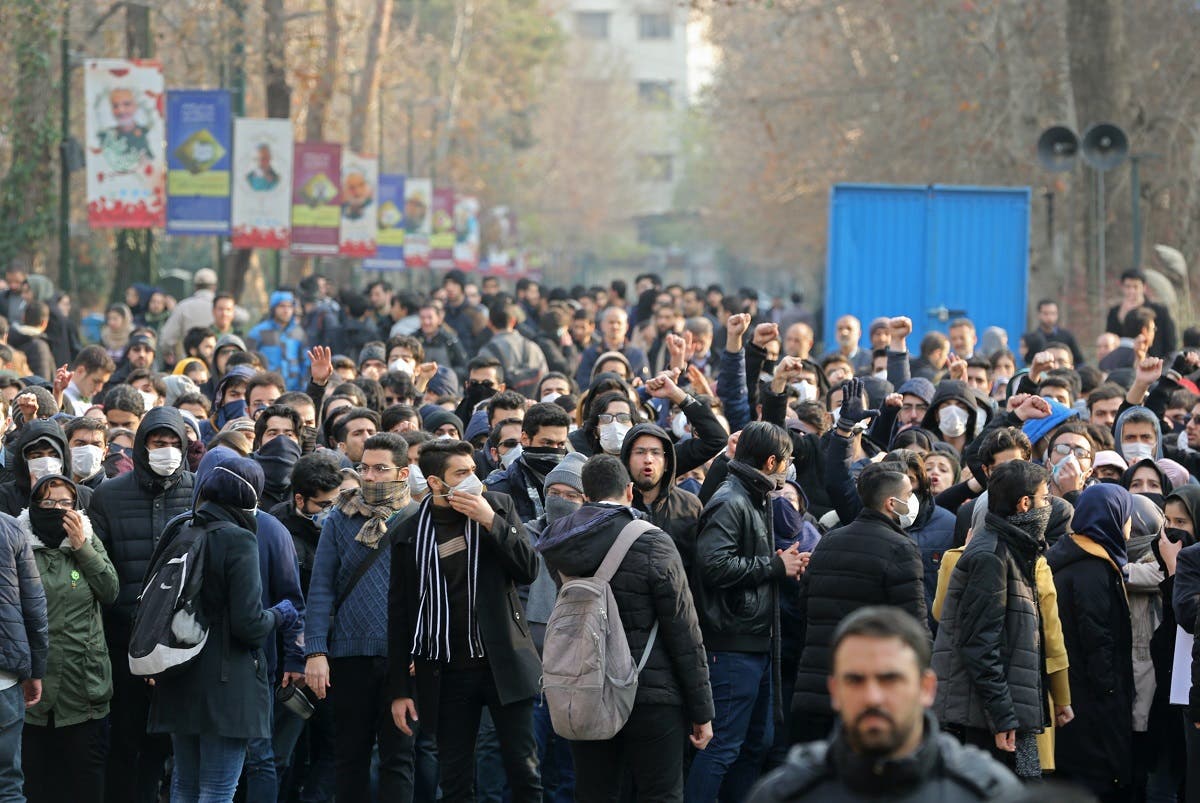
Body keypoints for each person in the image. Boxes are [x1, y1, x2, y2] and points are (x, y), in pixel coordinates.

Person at [538, 454, 714, 800]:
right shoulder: (652, 540)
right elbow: (684, 630)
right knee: (660, 794)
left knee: (594, 792)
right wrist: (702, 710)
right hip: (652, 691)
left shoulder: (558, 542)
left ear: (585, 496)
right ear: (630, 491)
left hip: (586, 686)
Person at [388, 438, 543, 802]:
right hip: (446, 671)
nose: (474, 479)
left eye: (474, 470)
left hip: (502, 661)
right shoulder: (408, 534)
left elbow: (529, 569)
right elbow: (399, 614)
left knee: (524, 768)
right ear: (435, 483)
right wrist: (399, 689)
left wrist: (491, 522)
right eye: (462, 473)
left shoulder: (498, 507)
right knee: (455, 779)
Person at [747, 607, 1021, 803]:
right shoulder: (784, 793)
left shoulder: (990, 792)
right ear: (835, 690)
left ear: (926, 688)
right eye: (855, 680)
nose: (873, 697)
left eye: (890, 680)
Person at [146, 453, 299, 803]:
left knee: (184, 783)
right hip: (227, 685)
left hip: (178, 675)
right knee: (217, 789)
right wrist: (281, 614)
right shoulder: (239, 539)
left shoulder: (181, 528)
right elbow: (249, 626)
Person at [686, 421, 806, 801]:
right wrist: (774, 567)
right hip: (731, 644)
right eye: (785, 461)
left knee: (756, 744)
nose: (787, 470)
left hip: (755, 642)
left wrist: (776, 563)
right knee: (721, 748)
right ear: (771, 461)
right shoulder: (731, 499)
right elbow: (714, 566)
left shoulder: (753, 495)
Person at [931, 461, 1067, 778]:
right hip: (986, 720)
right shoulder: (990, 555)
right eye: (1045, 498)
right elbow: (979, 645)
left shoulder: (1013, 548)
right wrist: (1003, 718)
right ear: (1024, 503)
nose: (1049, 506)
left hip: (1001, 713)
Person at [304, 432, 417, 802]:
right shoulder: (340, 517)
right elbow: (321, 587)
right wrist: (316, 651)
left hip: (405, 658)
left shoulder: (420, 518)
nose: (369, 476)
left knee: (398, 760)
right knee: (349, 758)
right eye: (364, 468)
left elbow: (435, 595)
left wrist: (423, 648)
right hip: (349, 655)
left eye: (380, 469)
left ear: (403, 473)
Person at [91, 406, 195, 803]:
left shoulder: (198, 489)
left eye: (173, 444)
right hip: (124, 642)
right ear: (141, 446)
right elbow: (101, 568)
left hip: (183, 646)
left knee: (175, 749)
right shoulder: (109, 495)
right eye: (158, 443)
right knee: (125, 742)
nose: (166, 451)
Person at [792, 461, 928, 742]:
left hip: (816, 682)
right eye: (908, 493)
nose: (913, 500)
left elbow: (804, 605)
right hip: (869, 687)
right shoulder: (900, 548)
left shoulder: (829, 541)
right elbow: (914, 623)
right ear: (892, 503)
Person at [18, 474, 117, 803]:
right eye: (48, 503)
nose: (57, 510)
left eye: (65, 503)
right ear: (34, 506)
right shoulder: (19, 543)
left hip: (82, 687)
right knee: (35, 782)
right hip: (33, 688)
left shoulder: (87, 539)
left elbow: (110, 590)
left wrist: (83, 549)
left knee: (84, 781)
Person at [1045, 483, 1136, 801]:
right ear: (1114, 519)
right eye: (1128, 517)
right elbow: (1099, 644)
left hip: (1071, 699)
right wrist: (1112, 698)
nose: (1131, 526)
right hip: (1093, 708)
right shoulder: (1094, 571)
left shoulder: (1072, 558)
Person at [0, 494, 46, 801]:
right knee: (8, 783)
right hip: (4, 681)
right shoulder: (9, 528)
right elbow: (34, 606)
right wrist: (35, 670)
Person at [484, 402, 572, 522]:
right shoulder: (497, 490)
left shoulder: (575, 485)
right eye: (547, 443)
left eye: (561, 444)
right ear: (525, 439)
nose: (555, 450)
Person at [1106, 269, 1177, 359]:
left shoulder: (1160, 311)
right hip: (1124, 363)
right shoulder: (1115, 312)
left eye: (1136, 287)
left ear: (1144, 287)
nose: (1131, 291)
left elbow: (1170, 343)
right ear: (1122, 287)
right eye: (1128, 287)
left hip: (1155, 362)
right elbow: (1110, 339)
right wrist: (1121, 319)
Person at [247, 291, 309, 391]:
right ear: (273, 308)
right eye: (282, 306)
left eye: (290, 306)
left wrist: (304, 386)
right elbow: (249, 361)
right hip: (267, 389)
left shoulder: (299, 333)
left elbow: (305, 362)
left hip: (294, 390)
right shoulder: (258, 332)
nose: (286, 310)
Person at [576, 307, 650, 387]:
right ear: (602, 325)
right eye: (611, 322)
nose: (615, 326)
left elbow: (645, 384)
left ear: (626, 327)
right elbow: (583, 384)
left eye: (619, 323)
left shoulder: (637, 355)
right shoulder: (590, 353)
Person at [158, 268, 219, 359]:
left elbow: (166, 340)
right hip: (216, 359)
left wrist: (169, 354)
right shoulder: (224, 307)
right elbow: (244, 316)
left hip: (188, 362)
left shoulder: (182, 306)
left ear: (195, 287)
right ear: (214, 287)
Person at [1023, 299, 1086, 367]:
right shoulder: (1032, 338)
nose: (1050, 317)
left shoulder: (1067, 336)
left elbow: (1080, 362)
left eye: (1053, 313)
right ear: (1039, 314)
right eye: (1046, 313)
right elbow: (1027, 362)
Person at [61, 346, 115, 417]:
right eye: (96, 381)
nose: (99, 389)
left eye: (103, 383)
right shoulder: (60, 398)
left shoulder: (84, 395)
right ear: (80, 371)